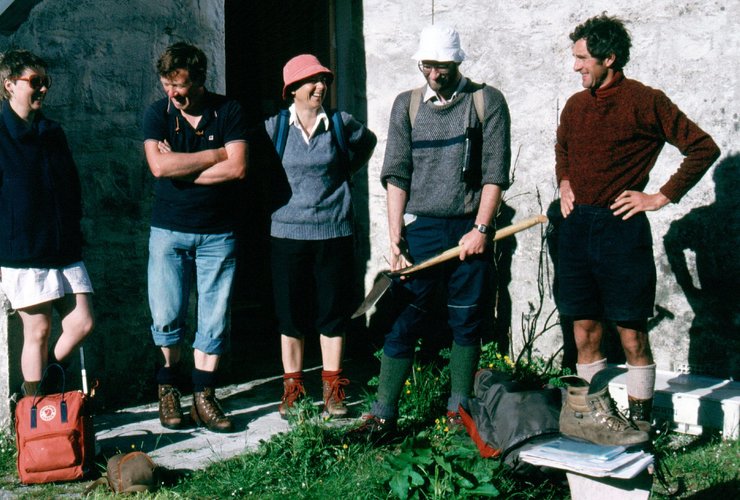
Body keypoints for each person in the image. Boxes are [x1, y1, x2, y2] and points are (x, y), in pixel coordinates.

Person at [555, 15, 720, 435]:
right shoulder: (575, 105)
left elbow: (702, 147)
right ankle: (594, 422)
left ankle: (642, 428)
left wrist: (659, 197)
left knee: (631, 335)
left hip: (620, 230)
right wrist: (565, 180)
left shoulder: (645, 101)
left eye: (582, 58)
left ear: (609, 58)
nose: (576, 66)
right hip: (575, 229)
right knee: (584, 330)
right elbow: (563, 147)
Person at [356, 25, 511, 437]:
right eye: (428, 65)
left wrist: (481, 227)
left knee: (467, 320)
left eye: (443, 66)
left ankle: (458, 413)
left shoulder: (486, 103)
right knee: (403, 319)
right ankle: (383, 413)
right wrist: (396, 240)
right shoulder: (406, 106)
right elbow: (396, 175)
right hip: (421, 229)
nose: (435, 73)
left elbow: (496, 173)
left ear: (457, 62)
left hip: (468, 230)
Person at [264, 54, 377, 418]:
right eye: (312, 81)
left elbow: (368, 143)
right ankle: (293, 389)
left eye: (324, 80)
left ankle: (333, 389)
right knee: (291, 314)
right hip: (287, 233)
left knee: (332, 312)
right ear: (292, 89)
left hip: (334, 230)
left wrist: (345, 174)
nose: (321, 87)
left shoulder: (342, 124)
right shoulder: (274, 128)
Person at [143, 42, 247, 433]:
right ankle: (169, 389)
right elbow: (157, 165)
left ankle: (204, 394)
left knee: (214, 317)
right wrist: (214, 154)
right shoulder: (158, 114)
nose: (173, 93)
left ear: (201, 80)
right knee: (166, 314)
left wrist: (180, 168)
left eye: (180, 85)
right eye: (167, 84)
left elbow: (238, 169)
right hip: (168, 232)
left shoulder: (228, 110)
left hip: (217, 234)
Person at [0, 49, 94, 396]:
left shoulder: (53, 132)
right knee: (37, 330)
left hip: (64, 247)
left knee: (82, 322)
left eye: (46, 82)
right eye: (34, 82)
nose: (42, 89)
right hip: (22, 251)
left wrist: (74, 227)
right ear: (9, 85)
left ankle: (48, 379)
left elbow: (71, 186)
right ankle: (36, 411)